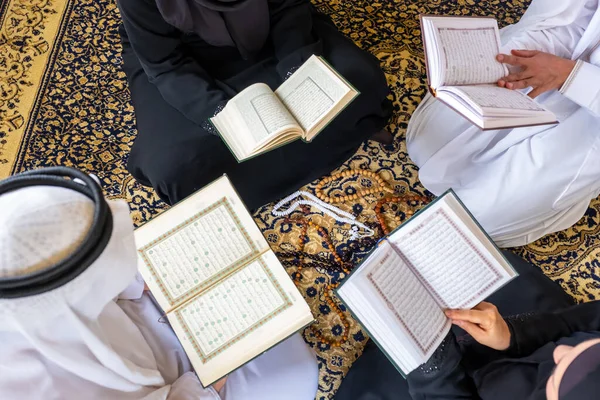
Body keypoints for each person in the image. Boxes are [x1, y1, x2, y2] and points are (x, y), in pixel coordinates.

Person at [0, 167, 318, 400]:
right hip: (172, 386)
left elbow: (96, 260)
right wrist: (207, 385)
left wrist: (147, 281)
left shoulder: (24, 271)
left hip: (136, 310)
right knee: (297, 374)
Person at [117, 0, 392, 210]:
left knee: (358, 81)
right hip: (184, 60)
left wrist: (298, 74)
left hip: (272, 30)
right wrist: (220, 114)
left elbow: (288, 9)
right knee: (176, 166)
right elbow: (166, 64)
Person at [406, 0, 600, 247]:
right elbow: (574, 20)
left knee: (475, 219)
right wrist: (518, 57)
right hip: (563, 60)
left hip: (592, 122)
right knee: (424, 144)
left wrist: (570, 75)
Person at [335, 251, 600, 399]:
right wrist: (511, 335)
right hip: (525, 338)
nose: (559, 352)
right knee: (470, 267)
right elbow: (577, 320)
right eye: (589, 346)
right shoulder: (559, 353)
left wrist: (434, 370)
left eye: (557, 379)